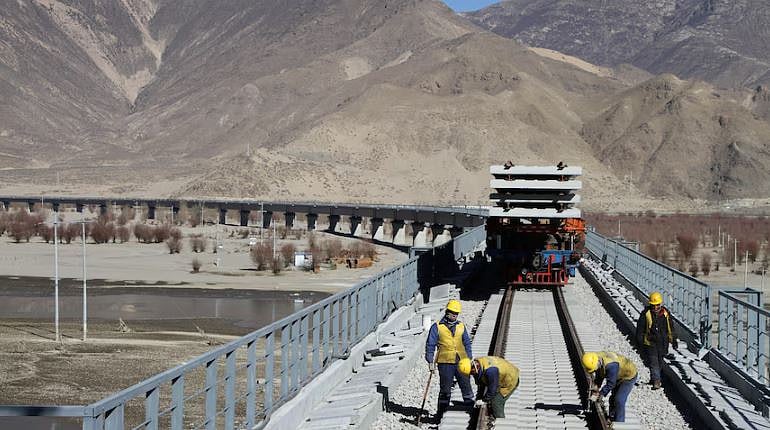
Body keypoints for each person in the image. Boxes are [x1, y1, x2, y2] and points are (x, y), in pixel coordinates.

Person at [425, 299, 474, 414]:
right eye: (453, 313)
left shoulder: (461, 326)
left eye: (456, 313)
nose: (455, 315)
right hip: (445, 362)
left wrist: (469, 357)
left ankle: (470, 408)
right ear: (447, 312)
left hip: (461, 361)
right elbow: (430, 344)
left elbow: (466, 342)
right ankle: (441, 412)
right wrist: (430, 361)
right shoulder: (436, 327)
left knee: (465, 384)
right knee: (445, 388)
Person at [635, 291, 678, 390]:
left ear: (660, 304)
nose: (655, 308)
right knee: (653, 362)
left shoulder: (665, 314)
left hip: (663, 343)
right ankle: (656, 381)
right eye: (653, 305)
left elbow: (670, 328)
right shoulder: (646, 314)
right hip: (650, 343)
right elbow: (640, 329)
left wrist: (674, 340)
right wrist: (639, 341)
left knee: (659, 362)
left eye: (657, 305)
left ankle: (654, 378)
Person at [581, 351, 638, 423]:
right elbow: (600, 373)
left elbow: (611, 384)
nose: (594, 371)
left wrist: (601, 393)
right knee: (613, 398)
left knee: (619, 399)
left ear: (597, 362)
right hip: (618, 374)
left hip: (628, 376)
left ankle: (619, 423)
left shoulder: (611, 366)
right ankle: (612, 417)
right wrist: (596, 387)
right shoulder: (596, 358)